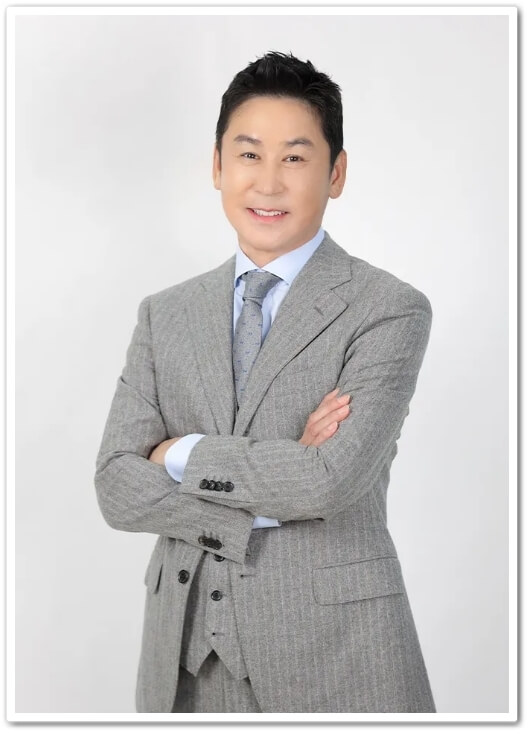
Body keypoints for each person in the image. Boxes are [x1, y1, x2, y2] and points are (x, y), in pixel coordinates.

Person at [94, 50, 436, 714]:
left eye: (295, 158)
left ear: (336, 173)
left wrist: (178, 453)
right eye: (249, 154)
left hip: (339, 659)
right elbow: (115, 485)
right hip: (182, 666)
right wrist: (282, 475)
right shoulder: (165, 314)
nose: (269, 183)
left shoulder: (388, 308)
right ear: (217, 166)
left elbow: (328, 481)